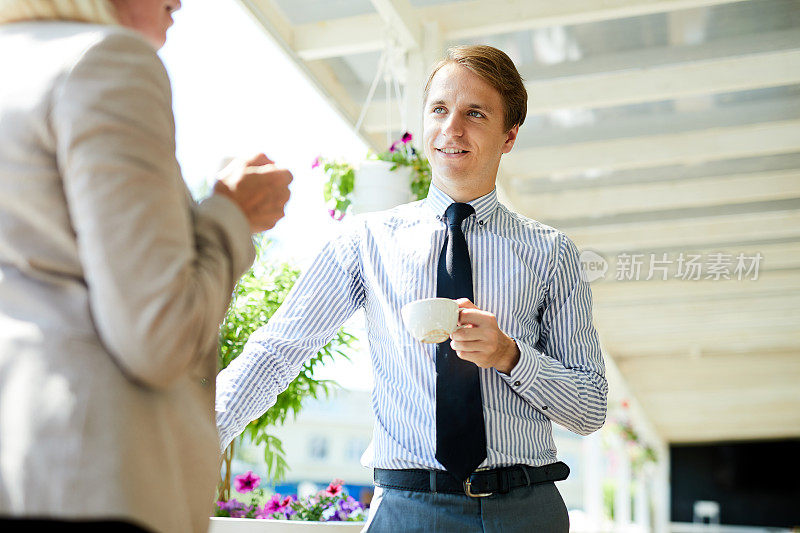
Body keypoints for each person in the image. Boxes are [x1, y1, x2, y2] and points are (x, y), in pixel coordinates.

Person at [216, 45, 607, 532]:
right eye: (439, 109)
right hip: (407, 512)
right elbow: (276, 354)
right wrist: (185, 444)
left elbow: (590, 406)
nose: (451, 128)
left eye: (475, 113)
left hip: (524, 512)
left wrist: (511, 355)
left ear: (509, 136)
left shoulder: (551, 253)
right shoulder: (365, 241)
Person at [0, 1, 292, 531]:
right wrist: (231, 214)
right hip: (92, 477)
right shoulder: (105, 62)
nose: (181, 1)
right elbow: (157, 335)